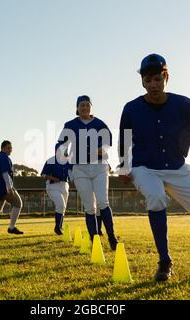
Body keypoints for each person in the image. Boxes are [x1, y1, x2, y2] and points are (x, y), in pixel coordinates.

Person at [118, 53, 190, 281]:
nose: (153, 85)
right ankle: (165, 261)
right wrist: (124, 168)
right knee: (155, 196)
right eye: (148, 80)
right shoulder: (131, 108)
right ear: (142, 81)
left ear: (166, 77)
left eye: (157, 79)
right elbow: (124, 140)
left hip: (177, 167)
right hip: (145, 168)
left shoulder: (184, 104)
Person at [55, 95, 118, 250]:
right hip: (80, 168)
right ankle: (95, 241)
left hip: (99, 166)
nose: (84, 108)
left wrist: (102, 150)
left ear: (91, 107)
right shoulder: (70, 125)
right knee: (90, 207)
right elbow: (61, 144)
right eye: (81, 105)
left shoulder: (99, 123)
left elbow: (108, 141)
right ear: (77, 108)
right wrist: (62, 152)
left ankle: (112, 238)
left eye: (87, 105)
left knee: (103, 202)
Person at [0, 140, 24, 235]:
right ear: (3, 148)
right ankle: (12, 227)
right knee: (18, 203)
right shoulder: (4, 157)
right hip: (4, 188)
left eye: (11, 148)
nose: (10, 150)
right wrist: (9, 188)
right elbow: (5, 173)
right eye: (8, 148)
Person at [41, 155, 72, 235]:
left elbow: (72, 172)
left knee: (63, 207)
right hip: (53, 185)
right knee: (61, 205)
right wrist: (53, 178)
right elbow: (43, 174)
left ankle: (60, 227)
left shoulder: (68, 160)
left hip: (65, 184)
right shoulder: (51, 160)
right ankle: (57, 228)